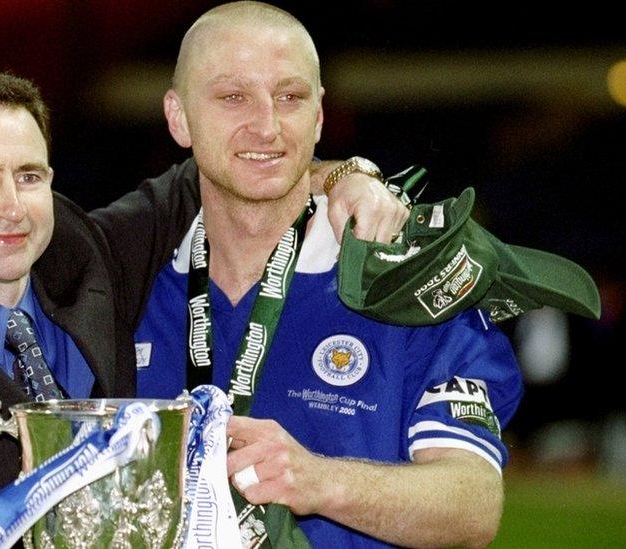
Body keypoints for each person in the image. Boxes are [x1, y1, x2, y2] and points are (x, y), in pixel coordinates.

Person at [0, 62, 401, 546]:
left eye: (29, 175)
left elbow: (224, 171)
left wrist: (348, 175)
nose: (10, 205)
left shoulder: (87, 259)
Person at [132, 2, 521, 548]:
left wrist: (319, 481)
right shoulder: (128, 287)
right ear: (178, 117)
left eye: (289, 98)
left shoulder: (406, 283)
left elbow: (473, 505)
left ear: (317, 116)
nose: (266, 126)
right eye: (232, 97)